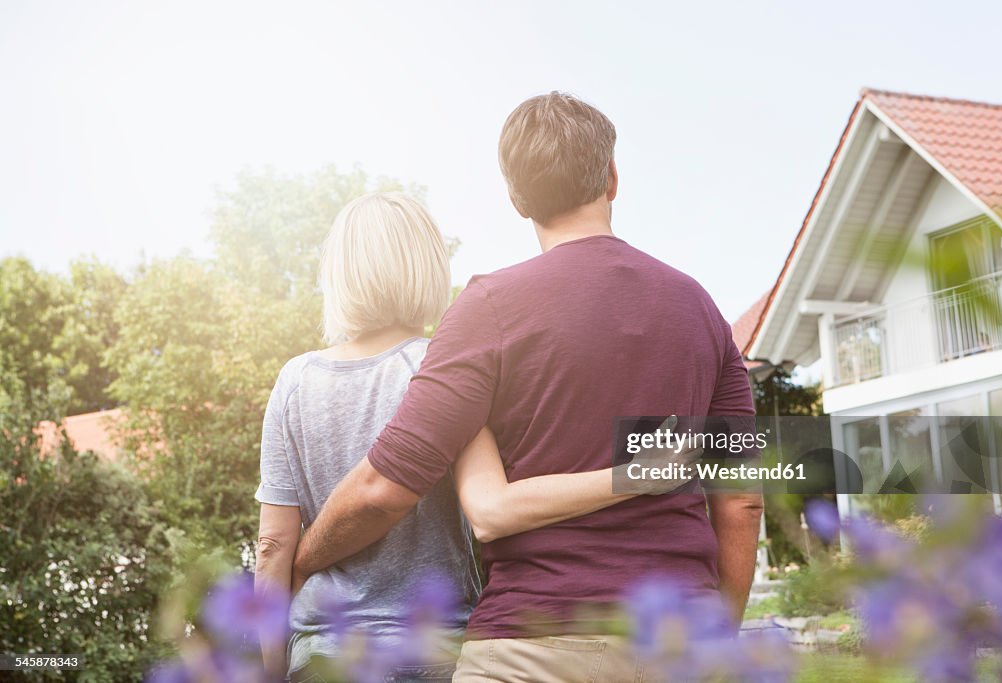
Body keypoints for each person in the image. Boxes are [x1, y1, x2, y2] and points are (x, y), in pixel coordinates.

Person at [290, 92, 764, 682]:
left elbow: (385, 489)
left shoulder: (487, 309)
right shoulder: (700, 309)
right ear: (612, 177)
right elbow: (740, 499)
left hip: (532, 646)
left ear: (516, 198)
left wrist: (300, 559)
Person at [254, 192, 687, 683]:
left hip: (322, 657)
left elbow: (272, 546)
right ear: (426, 267)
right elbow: (493, 505)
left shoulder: (294, 381)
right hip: (433, 651)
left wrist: (270, 670)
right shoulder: (442, 368)